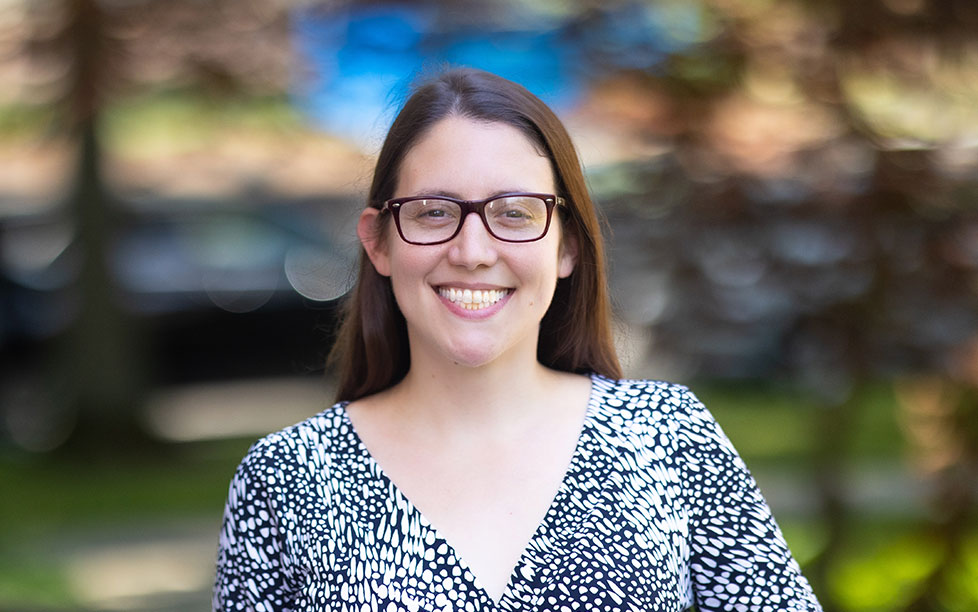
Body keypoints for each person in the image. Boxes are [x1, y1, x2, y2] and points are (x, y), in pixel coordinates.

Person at [213, 67, 822, 611]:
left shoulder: (668, 438)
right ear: (379, 243)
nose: (473, 252)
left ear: (568, 245)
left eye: (514, 212)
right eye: (432, 211)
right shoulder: (287, 478)